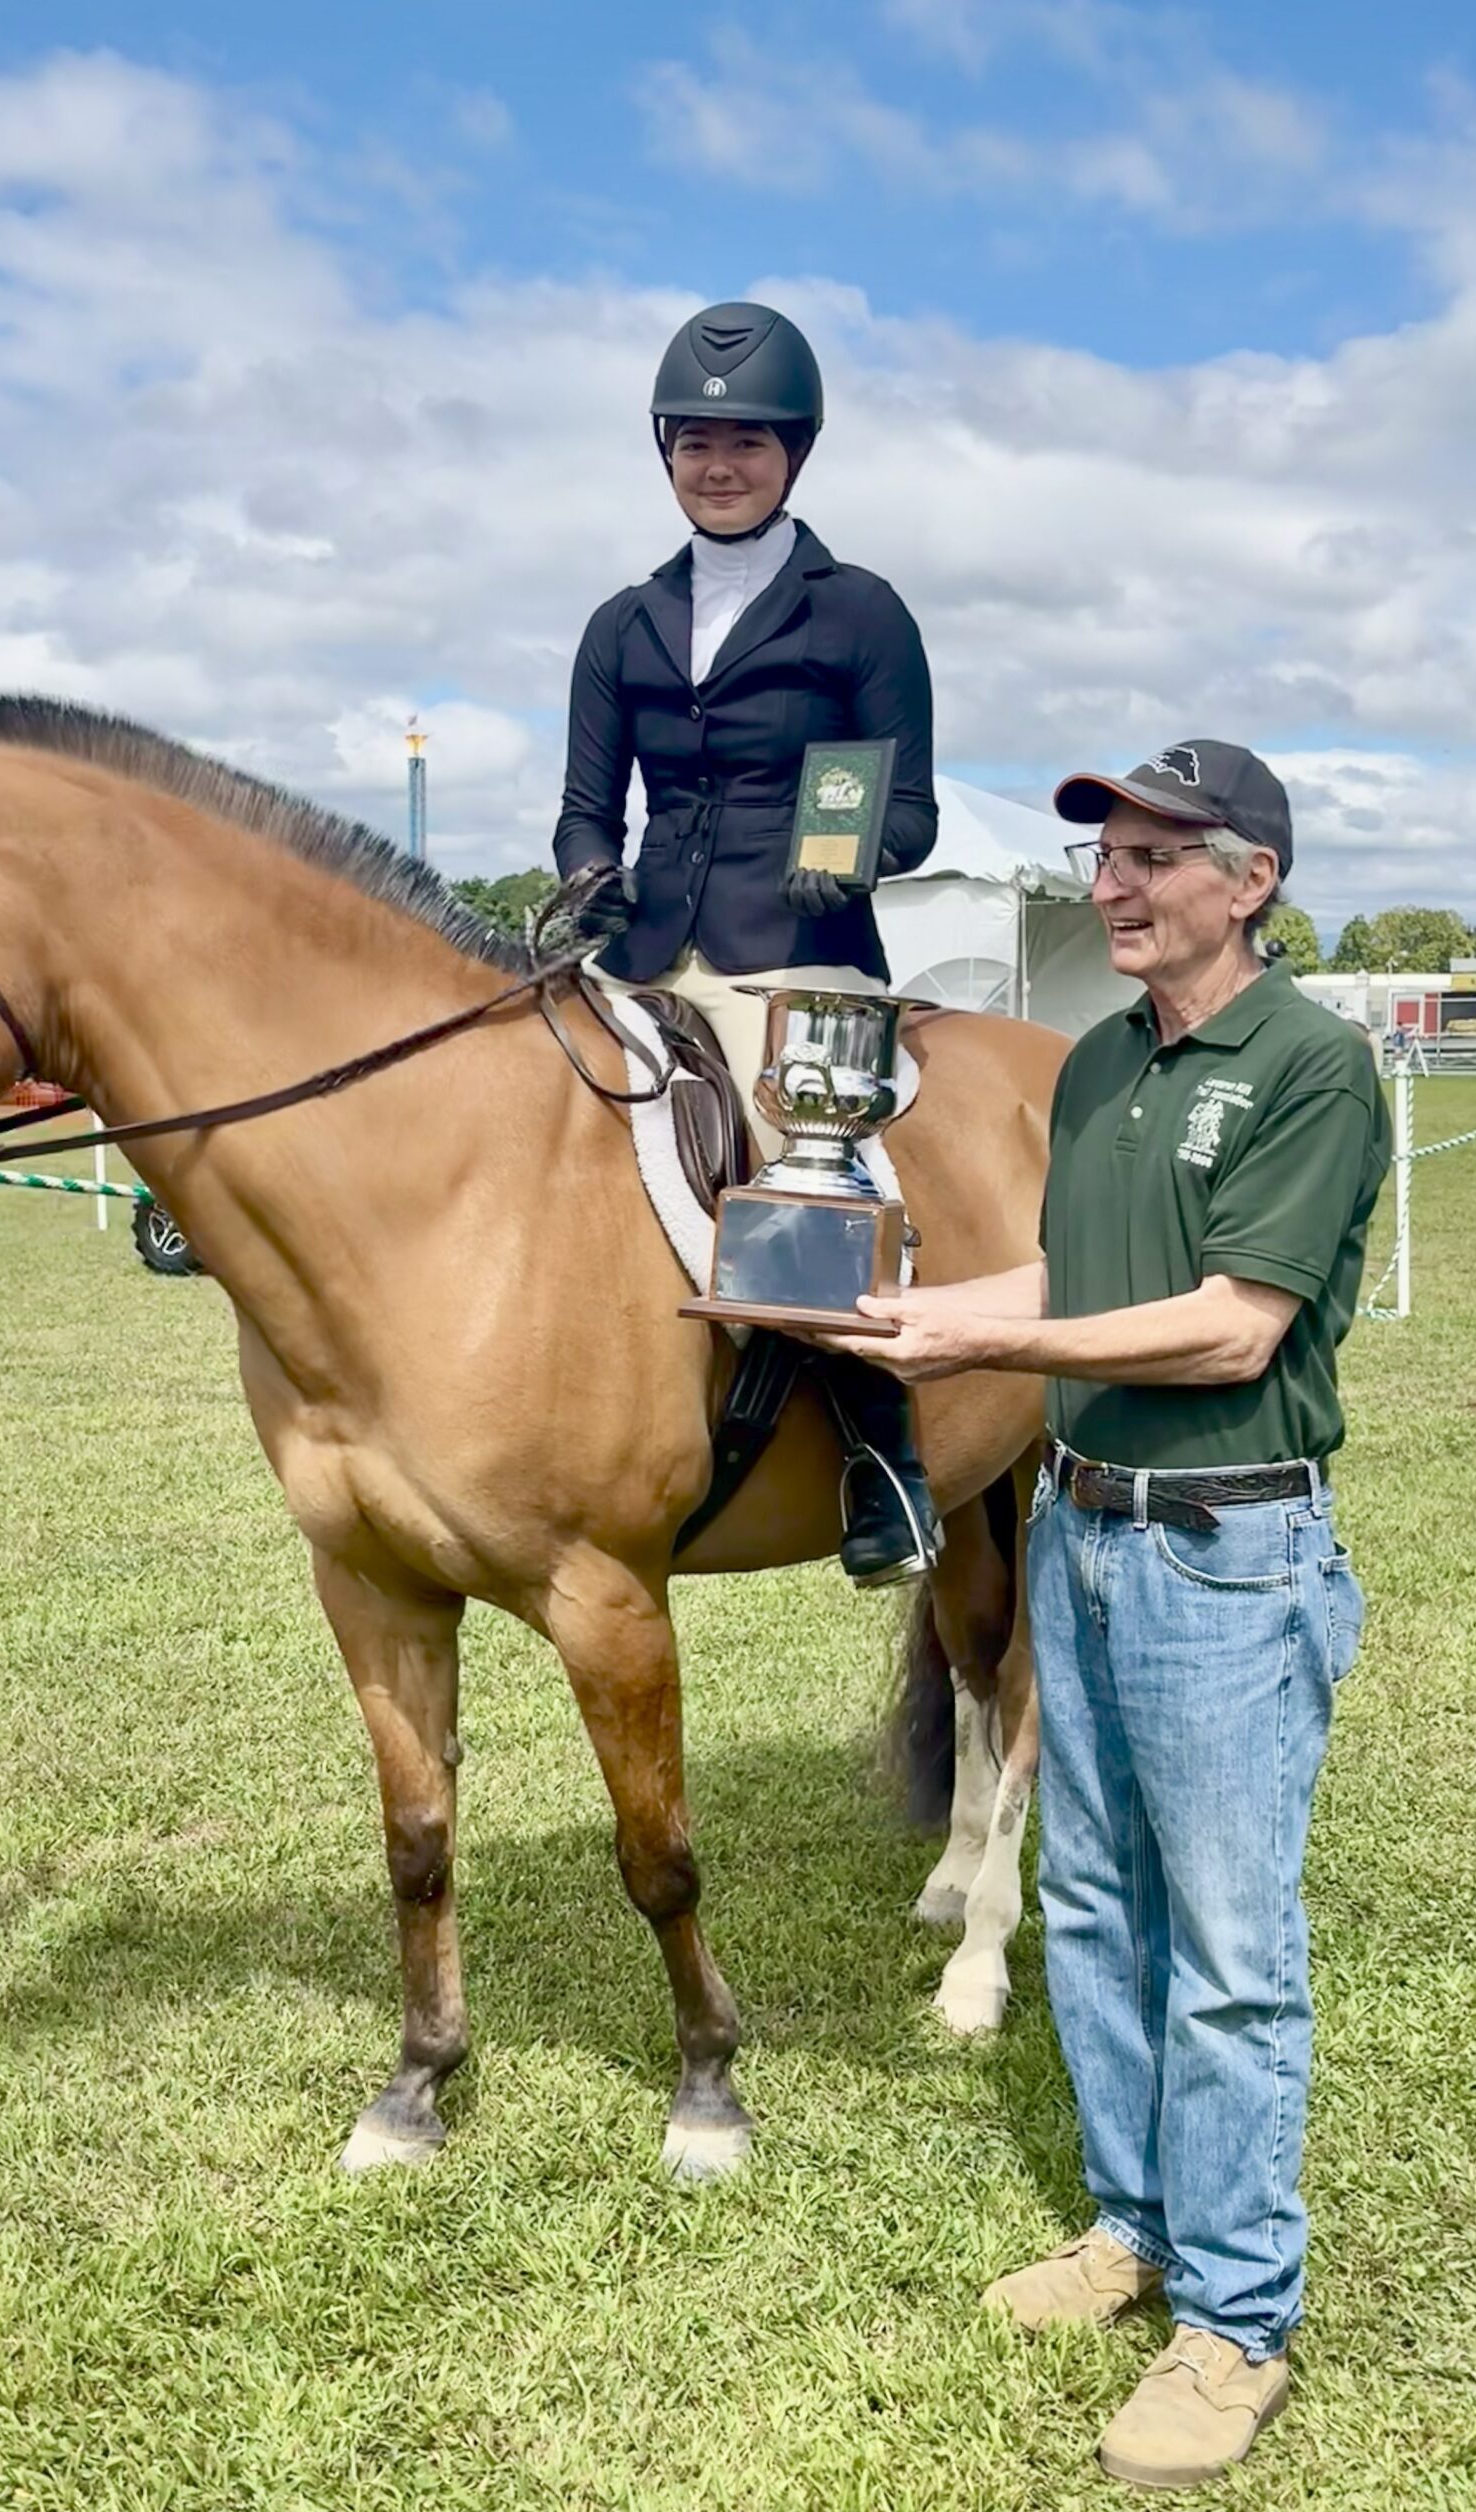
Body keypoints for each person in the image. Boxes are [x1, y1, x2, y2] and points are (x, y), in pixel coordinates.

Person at [822, 740, 1388, 2489]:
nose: (1114, 886)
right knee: (1089, 1909)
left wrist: (985, 1339)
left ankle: (1236, 2325)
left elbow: (1230, 1325)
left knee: (1225, 1956)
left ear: (1250, 882)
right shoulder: (1102, 1069)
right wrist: (905, 1309)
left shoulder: (1310, 1065)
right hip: (1080, 1529)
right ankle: (1134, 2227)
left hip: (1229, 1552)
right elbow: (1081, 1274)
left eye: (1152, 857)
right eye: (1105, 858)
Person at [552, 300, 942, 1584]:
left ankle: (884, 1456)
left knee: (812, 1158)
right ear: (665, 452)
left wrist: (845, 861)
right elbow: (585, 809)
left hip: (796, 944)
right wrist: (588, 878)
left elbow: (912, 811)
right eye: (696, 444)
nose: (718, 466)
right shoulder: (622, 624)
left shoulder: (860, 613)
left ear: (795, 454)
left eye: (747, 443)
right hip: (646, 947)